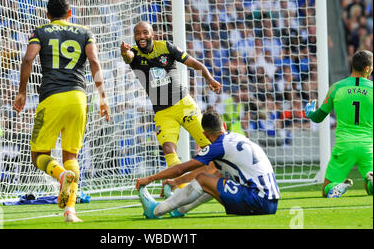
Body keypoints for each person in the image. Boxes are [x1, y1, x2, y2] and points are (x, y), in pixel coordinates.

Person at [13, 0, 110, 223]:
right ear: (70, 13)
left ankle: (61, 175)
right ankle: (70, 211)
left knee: (38, 155)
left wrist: (22, 91)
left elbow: (28, 60)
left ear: (47, 15)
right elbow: (94, 62)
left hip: (51, 98)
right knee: (71, 155)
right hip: (78, 98)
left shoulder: (41, 31)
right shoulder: (85, 32)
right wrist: (102, 97)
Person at [120, 21, 222, 179]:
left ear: (152, 35)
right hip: (162, 111)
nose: (141, 36)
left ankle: (228, 174)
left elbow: (194, 63)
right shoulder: (134, 54)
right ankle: (180, 185)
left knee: (207, 144)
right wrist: (124, 52)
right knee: (168, 148)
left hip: (183, 104)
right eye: (138, 33)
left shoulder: (166, 47)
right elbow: (128, 57)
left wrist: (209, 79)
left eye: (145, 32)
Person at [136, 110, 280, 218]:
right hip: (271, 202)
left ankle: (156, 210)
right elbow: (209, 168)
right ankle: (178, 209)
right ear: (223, 125)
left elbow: (181, 168)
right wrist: (176, 182)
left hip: (257, 200)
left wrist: (150, 179)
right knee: (216, 175)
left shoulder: (217, 146)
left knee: (203, 180)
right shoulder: (237, 137)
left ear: (205, 134)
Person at [305, 50, 373, 198]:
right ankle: (371, 181)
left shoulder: (336, 88)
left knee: (326, 190)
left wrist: (310, 112)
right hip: (368, 146)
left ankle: (337, 186)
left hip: (344, 146)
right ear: (367, 68)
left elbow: (318, 118)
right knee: (369, 190)